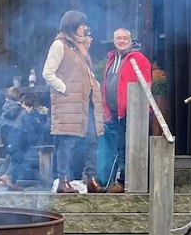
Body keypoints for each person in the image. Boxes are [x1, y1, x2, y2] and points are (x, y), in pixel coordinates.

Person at [41, 11, 103, 193]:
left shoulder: (79, 47)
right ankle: (63, 180)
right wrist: (65, 88)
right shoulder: (59, 45)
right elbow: (48, 73)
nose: (85, 28)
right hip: (68, 103)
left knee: (91, 141)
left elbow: (83, 73)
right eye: (82, 25)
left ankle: (91, 179)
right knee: (67, 141)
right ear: (74, 25)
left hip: (86, 102)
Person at [97, 29, 151, 192]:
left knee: (130, 147)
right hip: (114, 113)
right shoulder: (112, 59)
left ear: (130, 40)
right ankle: (119, 180)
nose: (121, 41)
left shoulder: (138, 59)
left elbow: (146, 84)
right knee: (119, 147)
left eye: (125, 38)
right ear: (114, 41)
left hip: (132, 113)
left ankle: (125, 181)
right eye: (118, 38)